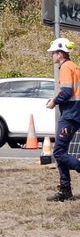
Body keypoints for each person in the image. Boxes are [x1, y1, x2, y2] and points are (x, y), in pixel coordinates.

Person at [46, 37, 80, 201]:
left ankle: (66, 188)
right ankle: (65, 190)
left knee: (58, 152)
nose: (52, 56)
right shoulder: (74, 67)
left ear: (60, 53)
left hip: (69, 115)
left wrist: (54, 101)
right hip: (75, 113)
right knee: (62, 152)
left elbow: (66, 93)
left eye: (53, 53)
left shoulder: (66, 67)